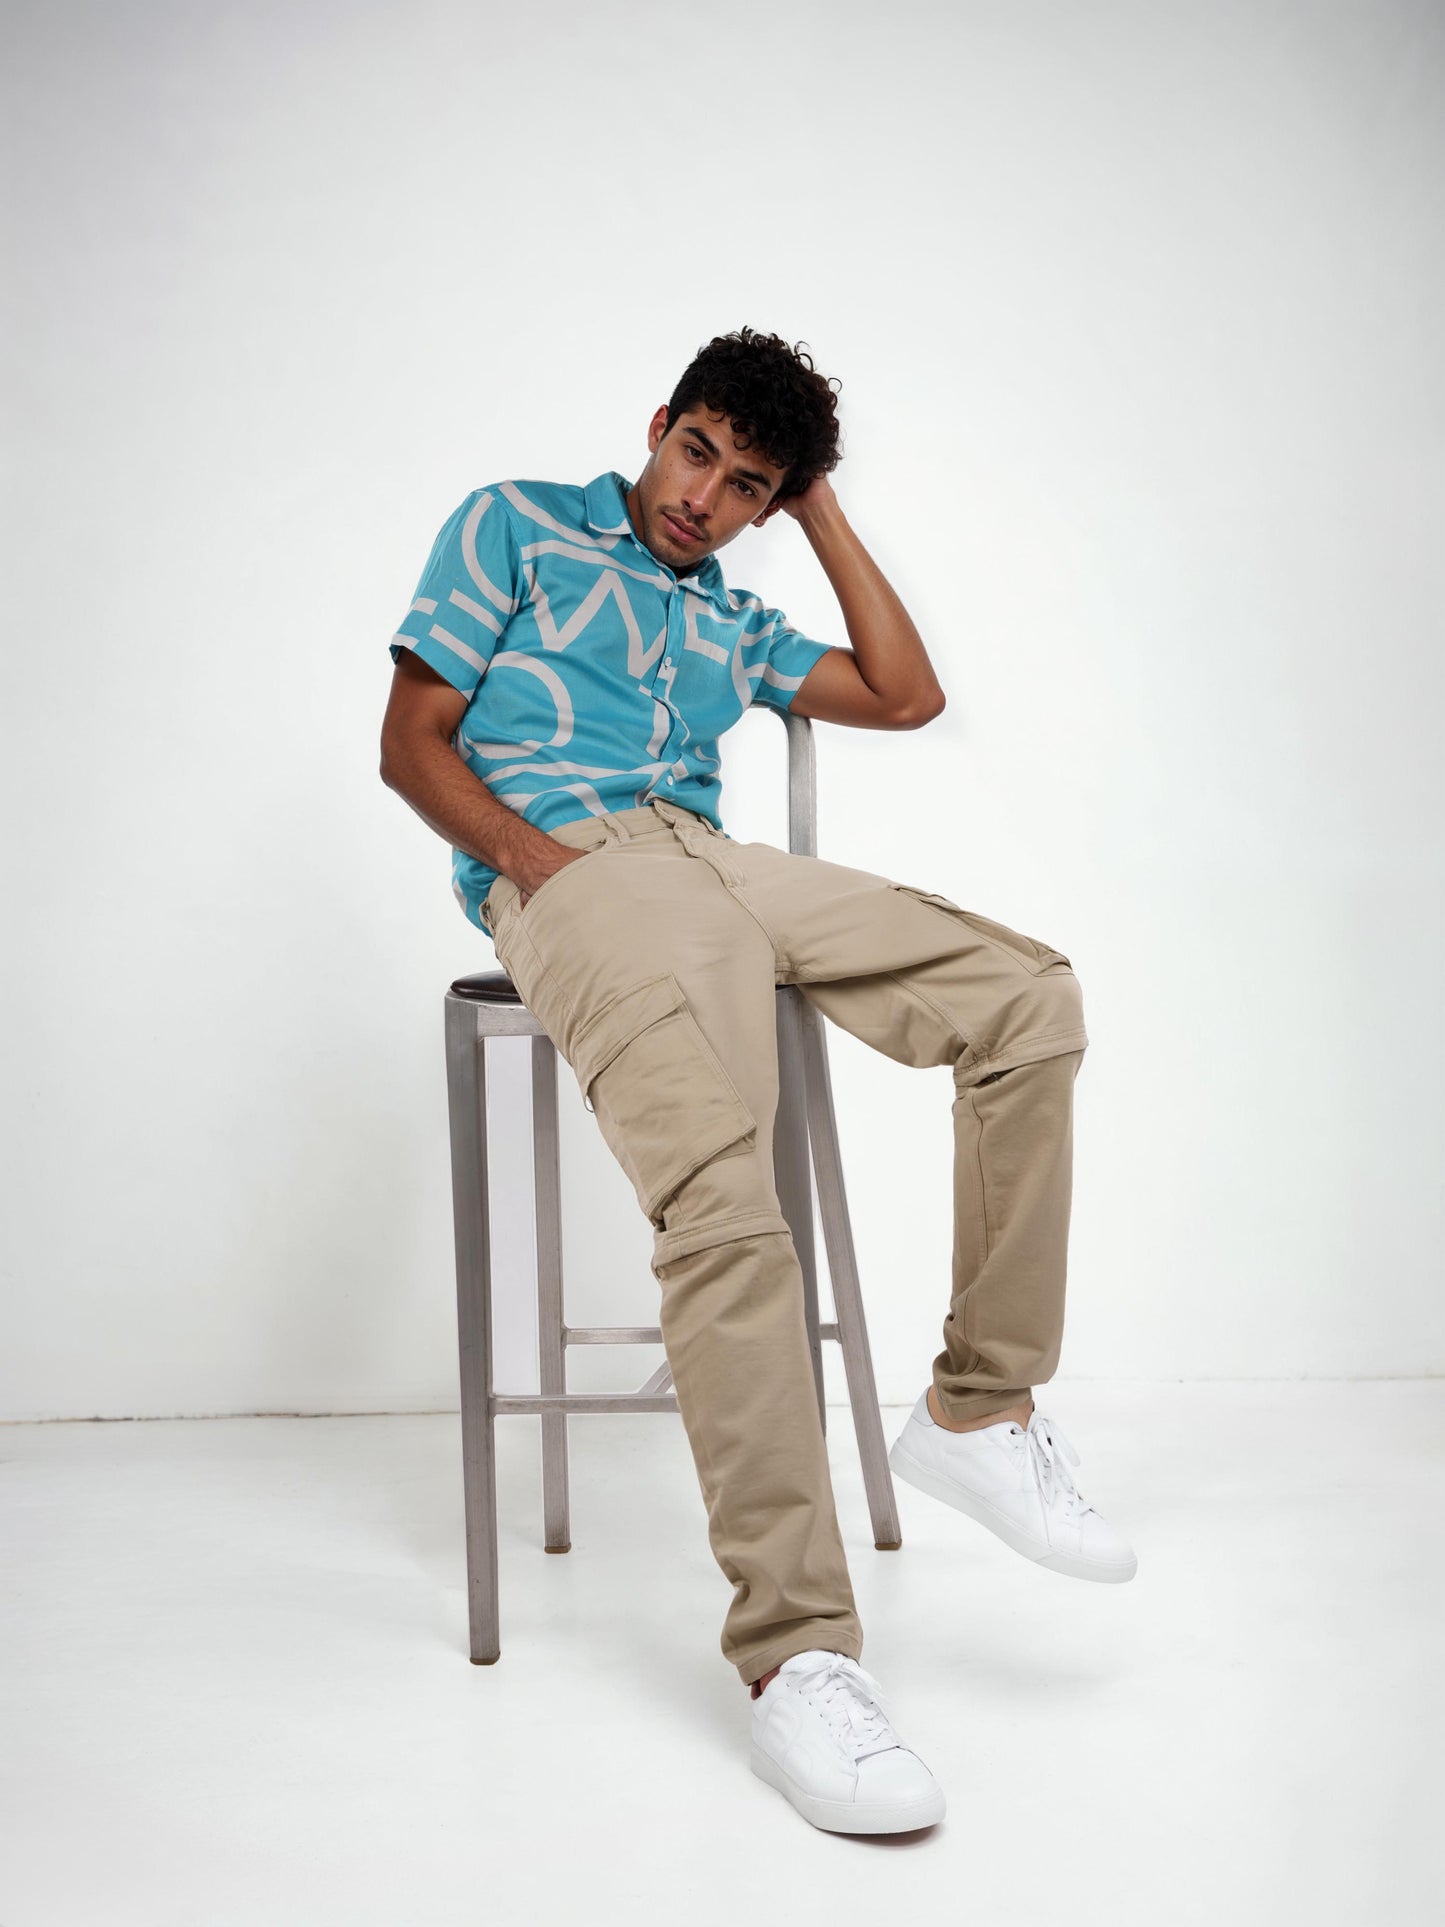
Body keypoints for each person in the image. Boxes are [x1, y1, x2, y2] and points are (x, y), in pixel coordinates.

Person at [379, 325, 1136, 1836]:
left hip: (720, 867)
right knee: (726, 1198)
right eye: (698, 454)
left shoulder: (731, 619)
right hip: (577, 867)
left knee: (1026, 998)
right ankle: (798, 1658)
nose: (703, 499)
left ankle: (978, 1412)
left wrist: (821, 511)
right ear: (658, 423)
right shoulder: (517, 525)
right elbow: (413, 744)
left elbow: (905, 695)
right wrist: (533, 863)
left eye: (747, 486)